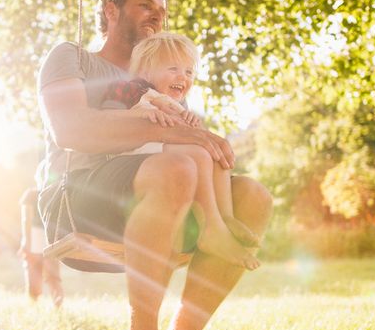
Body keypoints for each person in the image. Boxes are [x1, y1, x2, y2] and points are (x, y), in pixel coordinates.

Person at [36, 0, 272, 330]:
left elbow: (189, 143)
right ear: (111, 11)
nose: (156, 14)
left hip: (160, 189)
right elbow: (71, 129)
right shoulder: (73, 58)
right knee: (178, 165)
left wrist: (201, 140)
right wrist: (180, 135)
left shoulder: (160, 76)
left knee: (254, 197)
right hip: (83, 195)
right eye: (146, 5)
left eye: (160, 8)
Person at [99, 32, 261, 270]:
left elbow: (182, 137)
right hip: (134, 155)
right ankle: (211, 230)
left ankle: (225, 218)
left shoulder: (174, 104)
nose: (182, 77)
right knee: (198, 153)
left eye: (188, 72)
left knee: (212, 151)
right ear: (144, 72)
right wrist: (138, 113)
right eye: (173, 68)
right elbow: (106, 118)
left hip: (162, 152)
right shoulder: (129, 89)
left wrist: (189, 123)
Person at [19, 187, 64, 307]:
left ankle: (34, 306)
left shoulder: (31, 194)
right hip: (51, 235)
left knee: (33, 272)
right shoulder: (57, 192)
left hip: (35, 235)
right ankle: (58, 307)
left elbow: (26, 220)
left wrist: (26, 242)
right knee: (53, 277)